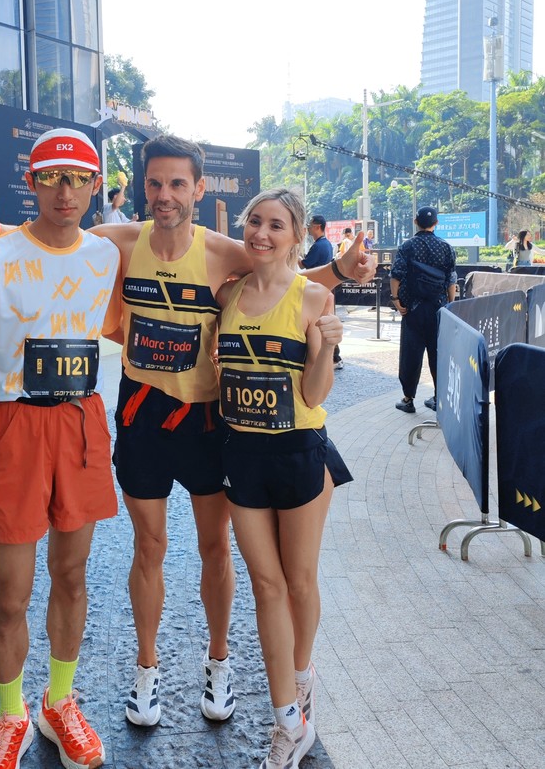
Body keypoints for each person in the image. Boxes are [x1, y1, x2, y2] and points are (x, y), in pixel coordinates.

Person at [0, 133, 374, 728]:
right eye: (155, 183)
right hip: (142, 416)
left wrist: (342, 268)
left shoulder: (220, 251)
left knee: (216, 547)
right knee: (149, 547)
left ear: (199, 188)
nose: (165, 194)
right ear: (143, 187)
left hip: (207, 421)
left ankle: (219, 660)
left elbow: (283, 277)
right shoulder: (118, 242)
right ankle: (147, 668)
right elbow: (52, 240)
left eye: (178, 183)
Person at [0, 128, 121, 769]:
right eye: (50, 177)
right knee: (11, 592)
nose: (64, 191)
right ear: (31, 183)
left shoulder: (105, 256)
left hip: (80, 421)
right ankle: (10, 713)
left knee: (71, 576)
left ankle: (59, 702)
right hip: (14, 425)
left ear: (95, 186)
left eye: (78, 178)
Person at [215, 187, 352, 769]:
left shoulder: (313, 297)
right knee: (265, 586)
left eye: (275, 224)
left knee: (298, 582)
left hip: (298, 453)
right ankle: (288, 722)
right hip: (241, 453)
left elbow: (316, 393)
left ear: (297, 235)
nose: (261, 233)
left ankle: (301, 677)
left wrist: (325, 349)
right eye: (255, 222)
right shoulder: (228, 294)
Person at [389, 206, 457, 414]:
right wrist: (450, 305)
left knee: (411, 354)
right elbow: (451, 280)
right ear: (436, 223)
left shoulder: (407, 246)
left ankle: (408, 399)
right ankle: (438, 398)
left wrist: (395, 299)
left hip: (413, 309)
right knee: (438, 353)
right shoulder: (446, 247)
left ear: (415, 222)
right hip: (438, 309)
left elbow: (396, 275)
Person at [300, 215, 343, 371]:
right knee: (325, 323)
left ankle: (332, 357)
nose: (308, 228)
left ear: (317, 226)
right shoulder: (327, 244)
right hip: (325, 289)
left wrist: (294, 253)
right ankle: (334, 356)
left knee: (319, 325)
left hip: (316, 291)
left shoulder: (318, 246)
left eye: (310, 225)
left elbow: (304, 264)